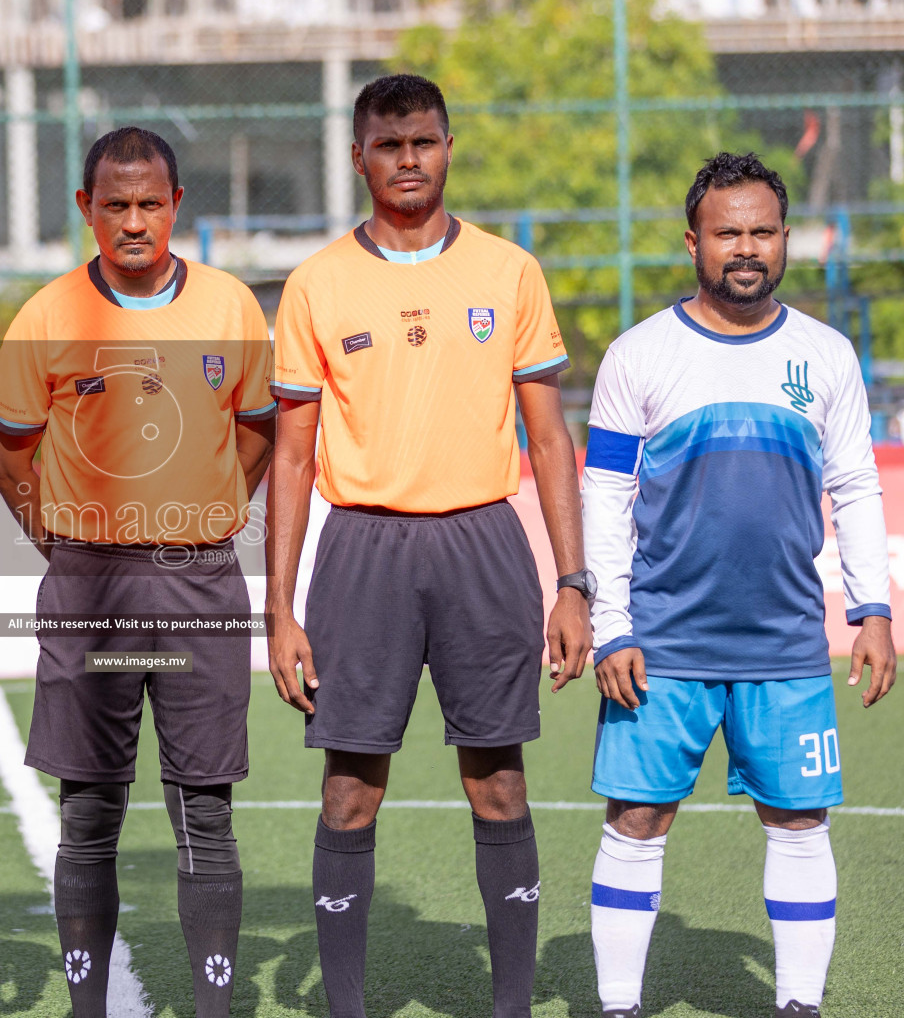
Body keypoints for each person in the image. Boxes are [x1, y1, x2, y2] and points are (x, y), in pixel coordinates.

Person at [266, 75, 593, 1018]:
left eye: (425, 142)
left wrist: (572, 582)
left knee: (496, 781)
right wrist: (280, 607)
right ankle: (347, 1007)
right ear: (359, 155)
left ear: (448, 148)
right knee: (349, 790)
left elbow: (548, 438)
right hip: (362, 550)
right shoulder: (319, 283)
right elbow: (290, 458)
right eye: (389, 144)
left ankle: (513, 1005)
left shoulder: (508, 272)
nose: (408, 160)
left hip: (483, 542)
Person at [577, 152, 895, 1018]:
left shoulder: (825, 356)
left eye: (761, 231)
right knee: (636, 820)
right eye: (728, 233)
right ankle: (618, 1006)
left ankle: (798, 1005)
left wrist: (872, 610)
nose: (745, 248)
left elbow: (858, 486)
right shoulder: (638, 354)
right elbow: (603, 496)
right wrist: (613, 624)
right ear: (694, 241)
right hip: (663, 645)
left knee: (798, 823)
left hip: (787, 643)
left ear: (785, 238)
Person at [0, 127, 275, 1017]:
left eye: (151, 203)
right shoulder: (46, 318)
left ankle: (214, 1005)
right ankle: (86, 1006)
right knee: (90, 811)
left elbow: (258, 434)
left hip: (199, 591)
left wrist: (195, 520)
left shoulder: (231, 308)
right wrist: (70, 548)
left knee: (204, 810)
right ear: (86, 209)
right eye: (115, 205)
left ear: (177, 206)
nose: (135, 221)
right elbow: (11, 458)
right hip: (88, 597)